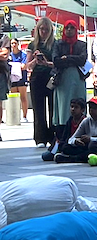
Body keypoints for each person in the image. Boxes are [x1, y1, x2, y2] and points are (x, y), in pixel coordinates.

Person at [52, 20, 87, 137]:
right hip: (62, 80)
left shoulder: (81, 44)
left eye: (72, 28)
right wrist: (73, 59)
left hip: (78, 79)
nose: (69, 30)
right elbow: (56, 60)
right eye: (67, 28)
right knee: (63, 107)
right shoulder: (58, 44)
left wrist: (66, 58)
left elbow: (82, 59)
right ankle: (62, 133)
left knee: (79, 102)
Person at [26, 17, 56, 147]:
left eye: (46, 29)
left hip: (50, 78)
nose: (44, 32)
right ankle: (40, 138)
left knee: (52, 108)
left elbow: (57, 63)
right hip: (36, 78)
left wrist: (46, 62)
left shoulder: (55, 44)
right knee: (38, 109)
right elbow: (27, 65)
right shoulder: (33, 44)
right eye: (41, 29)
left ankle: (52, 136)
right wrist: (35, 60)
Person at [55, 96, 97, 163]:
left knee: (92, 146)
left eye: (95, 108)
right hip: (86, 147)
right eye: (90, 108)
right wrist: (76, 141)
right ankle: (78, 157)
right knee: (66, 146)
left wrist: (91, 139)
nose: (91, 110)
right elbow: (71, 139)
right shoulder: (86, 121)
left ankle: (73, 158)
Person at [42, 98, 86, 162]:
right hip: (70, 144)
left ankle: (68, 157)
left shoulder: (85, 121)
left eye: (76, 107)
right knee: (46, 156)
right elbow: (65, 137)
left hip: (79, 145)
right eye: (72, 107)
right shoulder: (70, 120)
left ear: (82, 110)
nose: (73, 109)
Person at [9, 38, 28, 122]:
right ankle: (15, 115)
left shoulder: (23, 55)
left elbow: (24, 66)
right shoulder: (9, 55)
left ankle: (24, 116)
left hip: (22, 78)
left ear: (18, 44)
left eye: (15, 43)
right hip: (12, 78)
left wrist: (14, 65)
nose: (13, 45)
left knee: (23, 97)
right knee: (14, 97)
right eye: (12, 43)